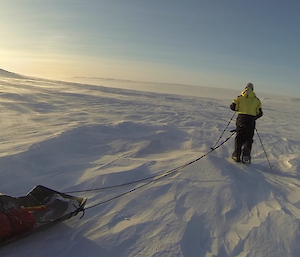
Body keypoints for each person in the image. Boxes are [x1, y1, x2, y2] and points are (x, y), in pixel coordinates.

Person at [230, 83, 263, 163]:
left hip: (241, 119)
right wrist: (254, 117)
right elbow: (260, 113)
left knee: (239, 137)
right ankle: (246, 156)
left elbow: (233, 106)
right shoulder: (257, 100)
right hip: (251, 121)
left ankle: (236, 155)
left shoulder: (239, 98)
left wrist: (240, 108)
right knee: (248, 138)